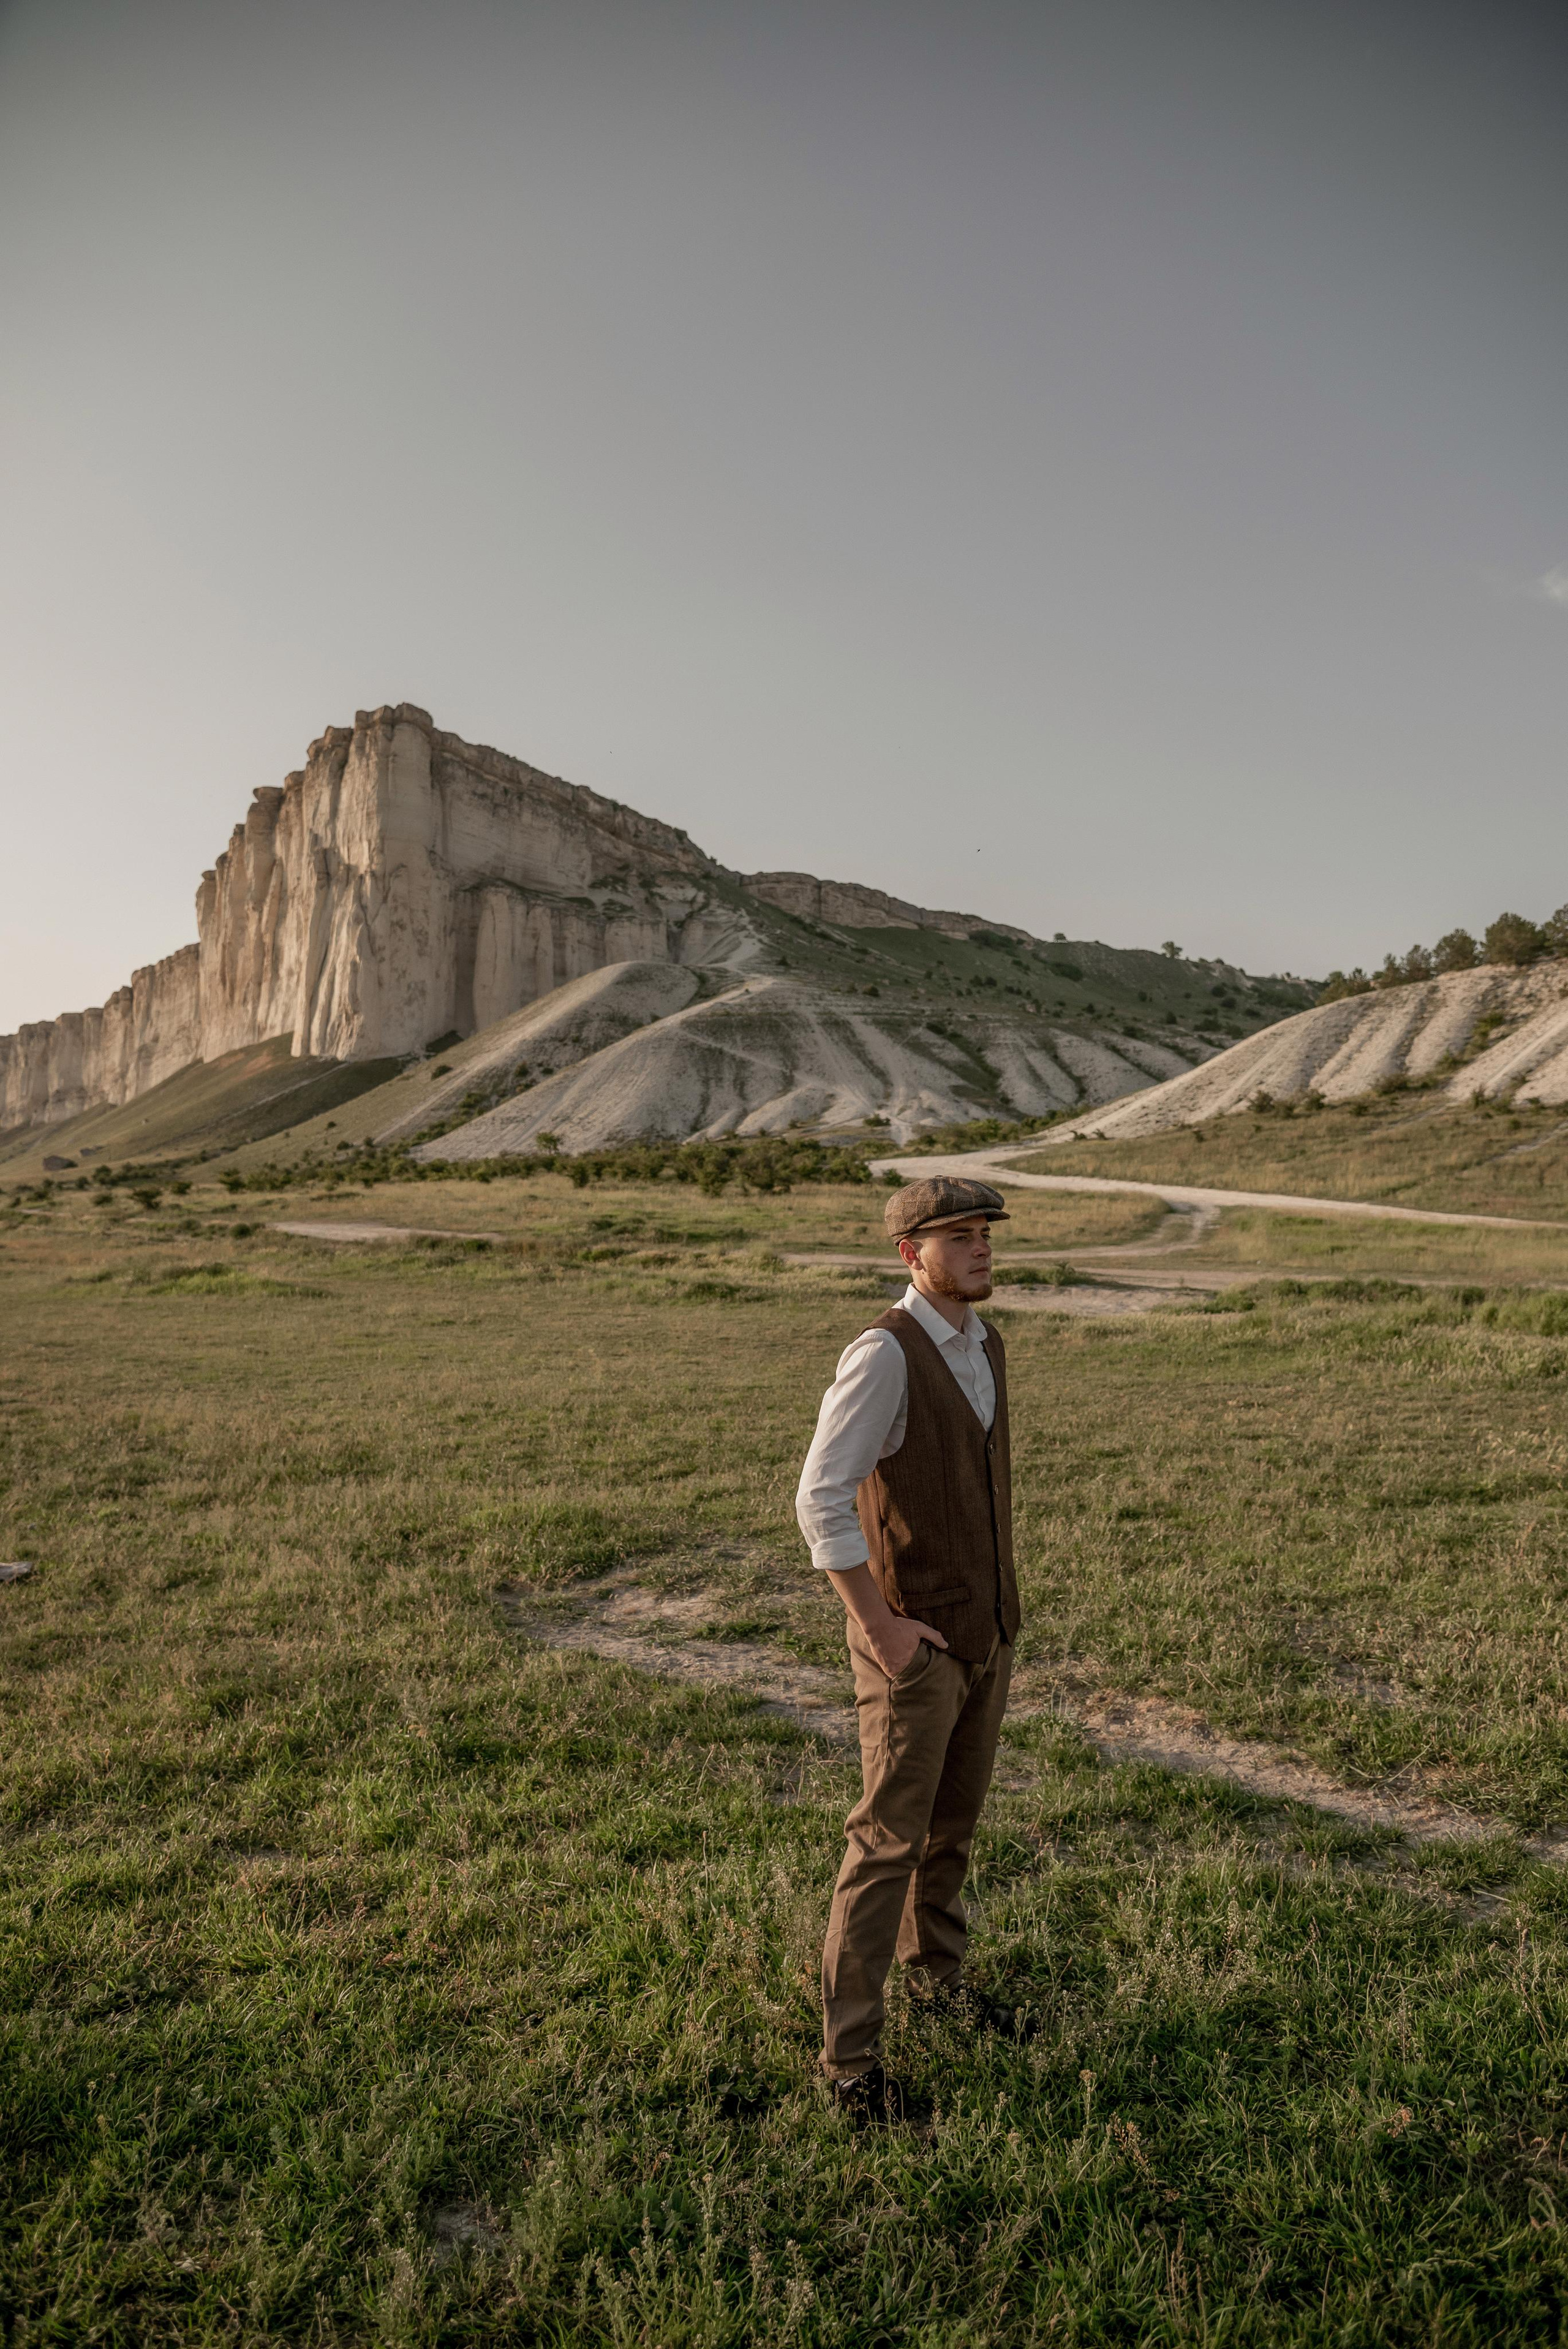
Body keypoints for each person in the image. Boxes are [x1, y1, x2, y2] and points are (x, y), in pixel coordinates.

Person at [794, 1174, 1023, 2125]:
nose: (979, 1246)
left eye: (984, 1231)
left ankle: (937, 1977)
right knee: (885, 1844)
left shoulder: (985, 1343)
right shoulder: (884, 1353)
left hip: (984, 1634)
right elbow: (819, 1498)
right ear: (910, 1254)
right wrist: (883, 1630)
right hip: (913, 1645)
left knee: (951, 1828)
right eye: (957, 1234)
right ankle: (850, 2064)